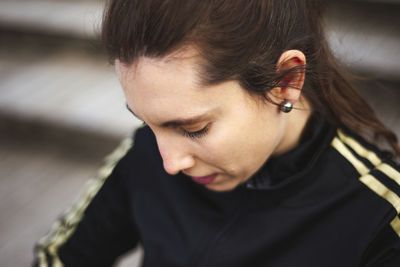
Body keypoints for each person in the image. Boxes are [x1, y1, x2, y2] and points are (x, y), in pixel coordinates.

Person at [34, 0, 400, 266]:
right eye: (148, 122)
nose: (170, 163)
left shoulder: (380, 215)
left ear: (286, 81)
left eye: (194, 128)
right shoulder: (144, 152)